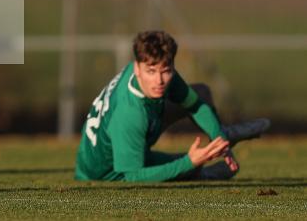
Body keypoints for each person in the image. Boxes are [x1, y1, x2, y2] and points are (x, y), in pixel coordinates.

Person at [75, 30, 270, 182]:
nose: (159, 80)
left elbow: (195, 104)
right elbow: (133, 176)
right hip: (106, 172)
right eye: (151, 71)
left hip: (126, 136)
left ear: (171, 66)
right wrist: (189, 163)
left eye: (166, 71)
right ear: (137, 68)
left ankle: (222, 136)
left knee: (200, 93)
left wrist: (218, 137)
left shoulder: (155, 71)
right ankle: (203, 174)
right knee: (184, 167)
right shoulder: (130, 113)